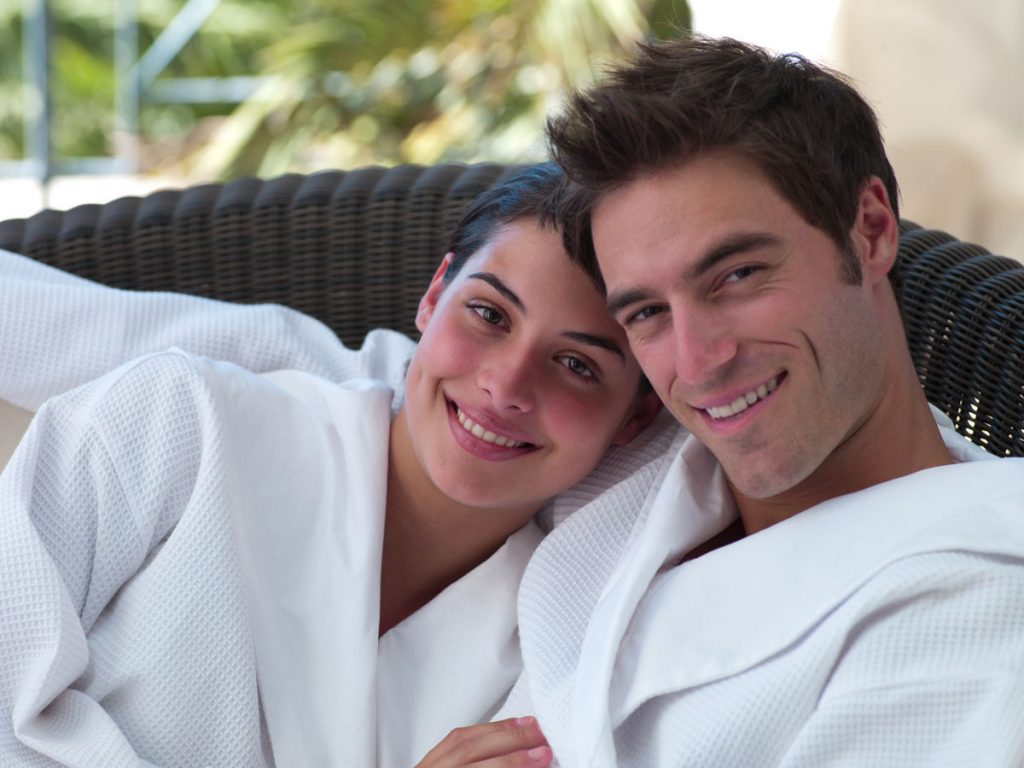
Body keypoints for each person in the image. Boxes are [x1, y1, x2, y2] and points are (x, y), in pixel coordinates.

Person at [441, 35, 1024, 766]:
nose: (697, 364)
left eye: (737, 276)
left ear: (871, 232)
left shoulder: (970, 623)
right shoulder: (637, 466)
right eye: (646, 312)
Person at [0, 163, 662, 767]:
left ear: (635, 420)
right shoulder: (177, 423)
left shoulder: (560, 657)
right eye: (488, 314)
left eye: (577, 365)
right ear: (434, 297)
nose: (507, 385)